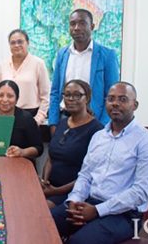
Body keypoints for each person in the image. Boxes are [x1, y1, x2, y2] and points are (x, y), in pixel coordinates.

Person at [51, 82, 148, 244]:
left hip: (124, 215)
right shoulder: (99, 137)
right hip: (89, 202)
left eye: (123, 99)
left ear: (135, 105)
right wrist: (74, 200)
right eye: (111, 99)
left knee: (79, 242)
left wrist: (98, 211)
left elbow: (141, 192)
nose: (115, 103)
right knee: (46, 223)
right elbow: (85, 175)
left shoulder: (147, 141)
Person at [49, 9, 119, 133]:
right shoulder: (62, 54)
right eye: (72, 24)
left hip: (93, 121)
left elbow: (111, 96)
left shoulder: (107, 55)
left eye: (82, 23)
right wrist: (53, 123)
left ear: (92, 26)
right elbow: (55, 92)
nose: (76, 28)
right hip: (65, 118)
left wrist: (101, 127)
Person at [41, 80, 103, 209]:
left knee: (39, 210)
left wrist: (55, 191)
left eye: (77, 95)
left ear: (87, 98)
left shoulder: (96, 130)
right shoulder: (62, 123)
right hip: (50, 188)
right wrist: (45, 181)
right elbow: (51, 158)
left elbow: (90, 174)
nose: (71, 99)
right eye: (67, 95)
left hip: (74, 193)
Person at [0, 29, 50, 125]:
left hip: (30, 115)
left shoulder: (38, 64)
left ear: (27, 43)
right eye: (13, 43)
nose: (16, 45)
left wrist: (38, 118)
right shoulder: (3, 65)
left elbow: (46, 96)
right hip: (5, 115)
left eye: (20, 42)